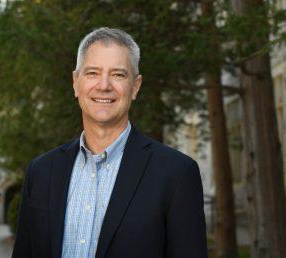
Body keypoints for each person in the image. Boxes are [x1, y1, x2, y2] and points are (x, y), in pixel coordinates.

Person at [11, 27, 208, 258]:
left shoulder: (176, 173)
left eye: (118, 74)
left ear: (135, 86)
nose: (104, 85)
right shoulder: (41, 171)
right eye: (92, 73)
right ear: (76, 82)